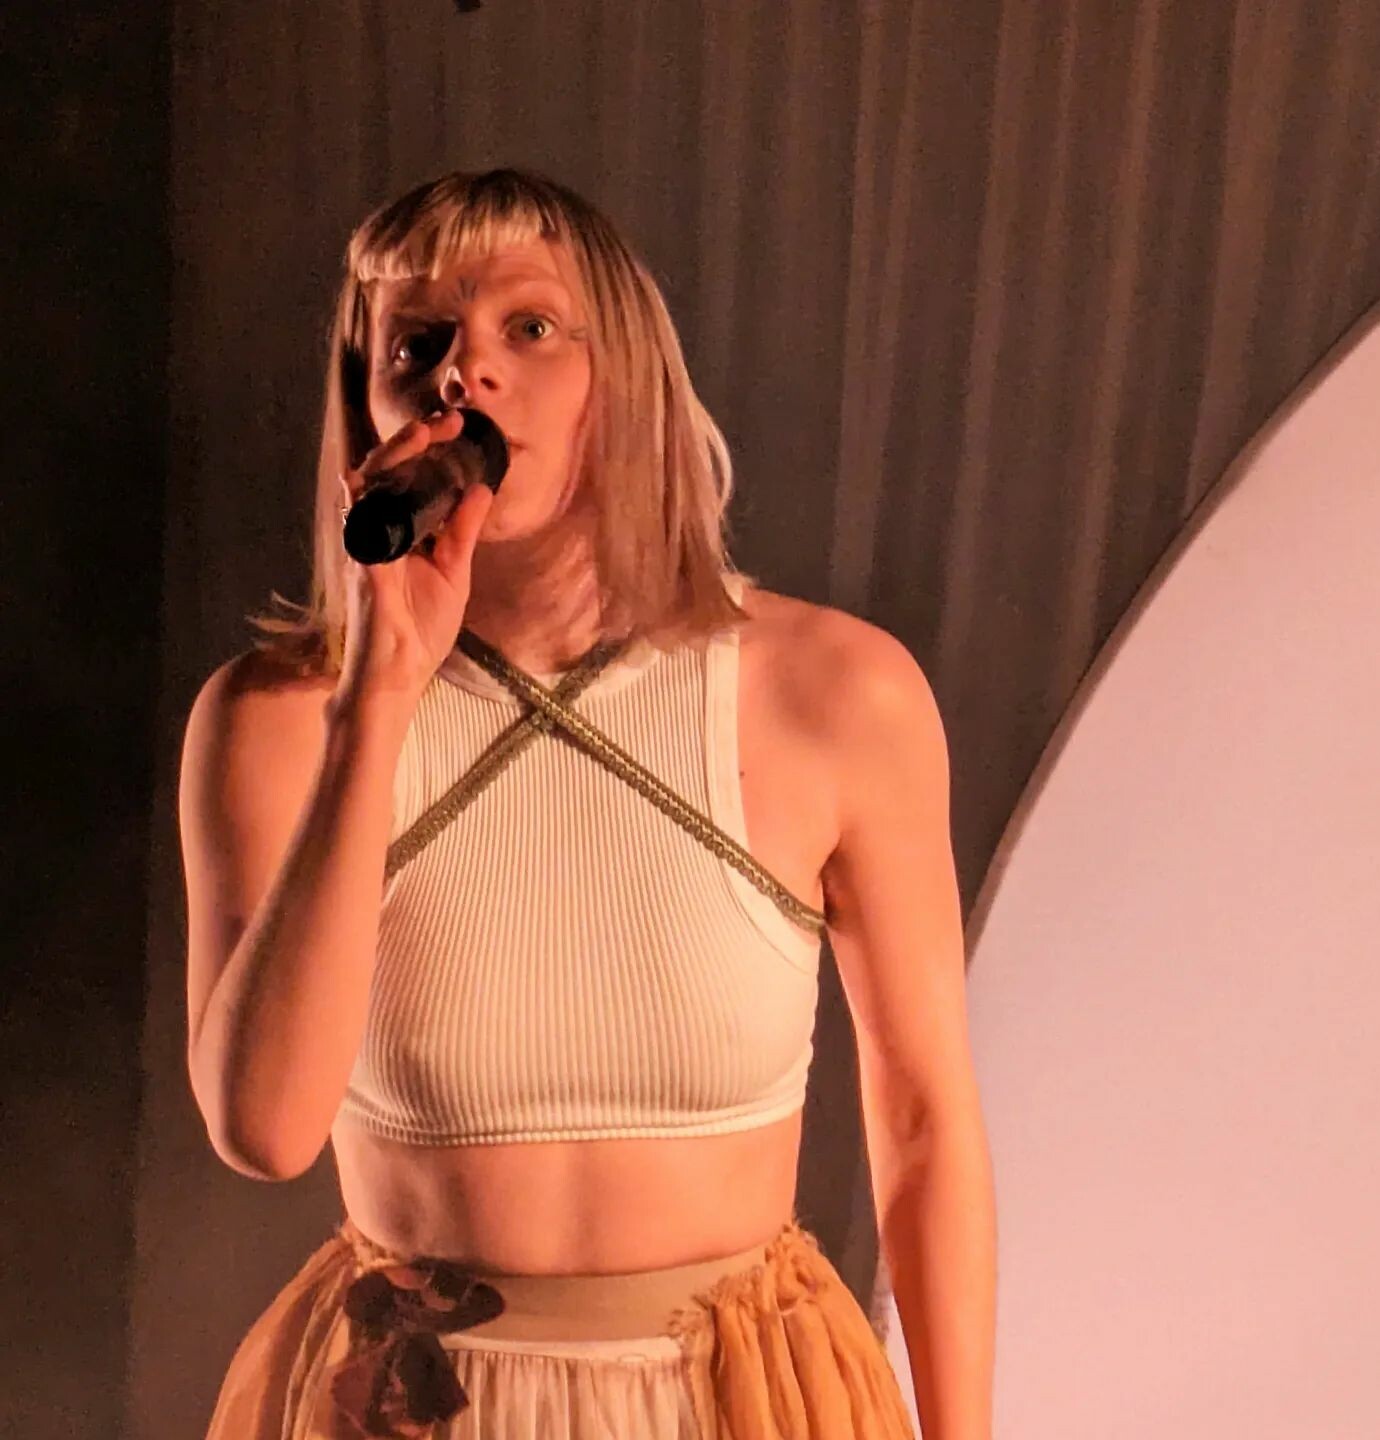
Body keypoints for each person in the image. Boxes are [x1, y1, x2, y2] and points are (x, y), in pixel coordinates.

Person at [180, 167, 992, 1438]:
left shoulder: (839, 695)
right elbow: (265, 1130)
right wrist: (378, 695)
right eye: (418, 345)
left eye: (530, 327)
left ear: (627, 378)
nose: (465, 375)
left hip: (742, 1402)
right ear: (366, 407)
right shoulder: (279, 721)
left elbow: (927, 1124)